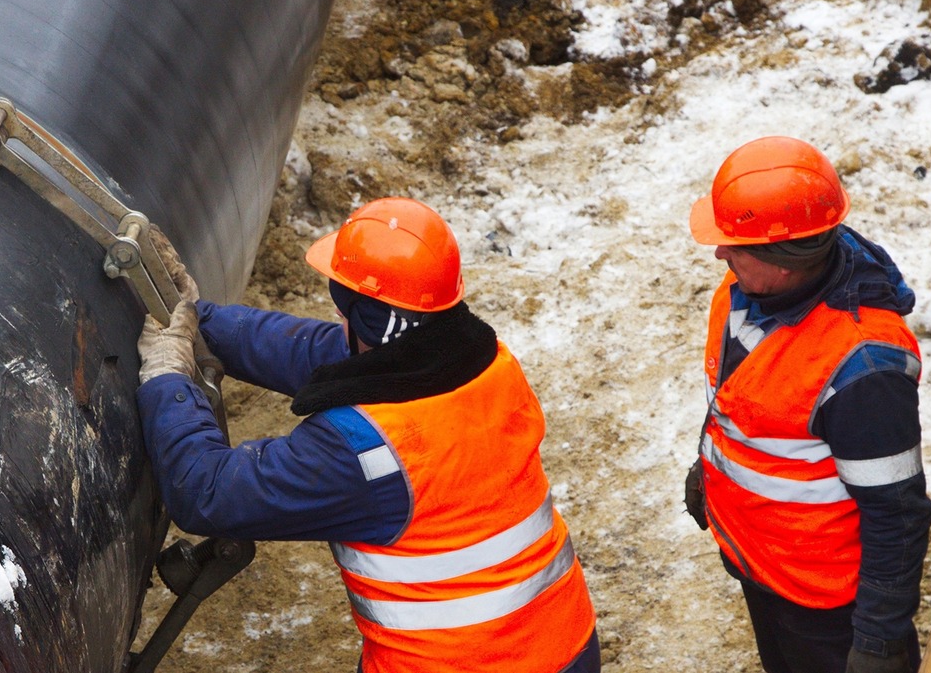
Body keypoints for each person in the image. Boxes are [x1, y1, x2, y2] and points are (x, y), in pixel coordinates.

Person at [135, 197, 600, 672]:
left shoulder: (364, 453)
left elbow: (205, 490)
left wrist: (167, 377)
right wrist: (197, 318)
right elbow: (327, 355)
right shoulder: (490, 366)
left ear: (359, 312)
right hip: (567, 645)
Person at [683, 136, 931, 673]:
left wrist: (879, 639)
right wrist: (708, 466)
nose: (720, 252)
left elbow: (898, 514)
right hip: (762, 567)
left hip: (825, 607)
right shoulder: (744, 289)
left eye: (735, 243)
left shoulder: (864, 369)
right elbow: (746, 394)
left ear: (785, 260)